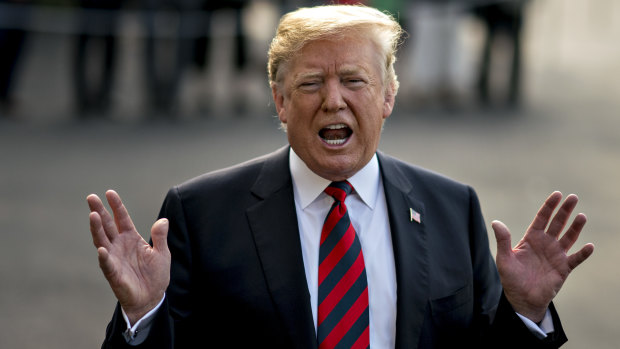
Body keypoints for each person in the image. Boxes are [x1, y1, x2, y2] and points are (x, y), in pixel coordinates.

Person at [87, 5, 594, 348]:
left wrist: (525, 312)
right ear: (280, 101)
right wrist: (144, 315)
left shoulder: (451, 208)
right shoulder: (199, 214)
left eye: (354, 80)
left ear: (389, 95)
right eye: (311, 83)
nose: (334, 99)